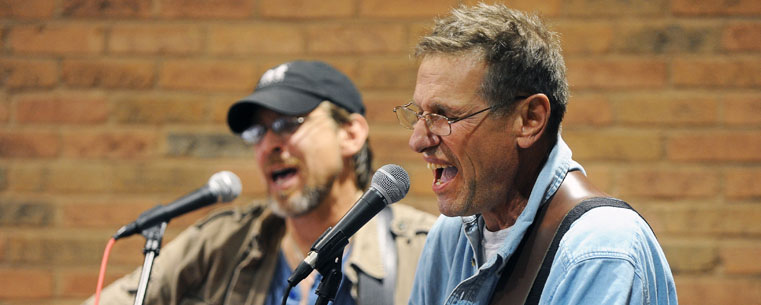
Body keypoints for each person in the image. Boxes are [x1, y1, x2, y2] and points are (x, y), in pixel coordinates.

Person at [84, 60, 436, 305]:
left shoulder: (424, 246)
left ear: (350, 133)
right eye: (258, 132)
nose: (269, 144)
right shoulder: (221, 243)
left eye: (287, 123)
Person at [399, 4, 677, 305]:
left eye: (444, 116)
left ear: (530, 119)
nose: (418, 140)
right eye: (419, 114)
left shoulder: (600, 249)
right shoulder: (450, 237)